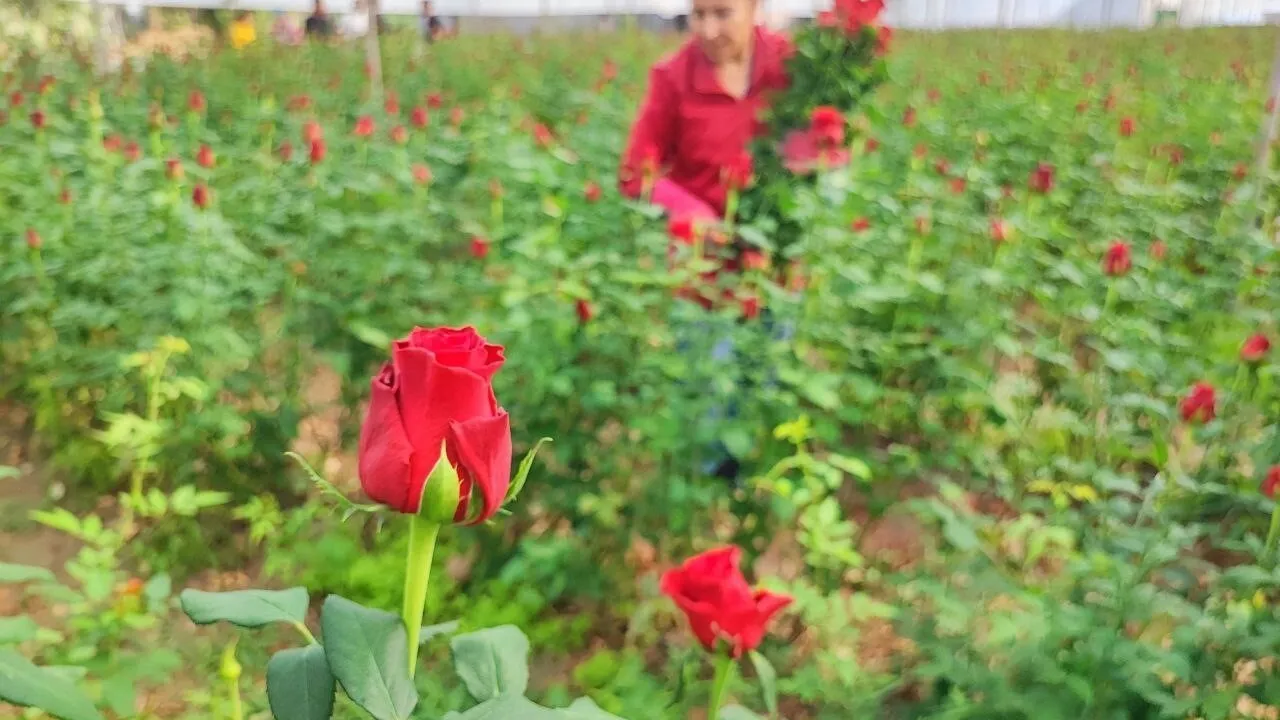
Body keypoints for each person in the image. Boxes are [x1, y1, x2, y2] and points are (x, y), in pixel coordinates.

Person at [618, 0, 794, 485]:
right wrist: (693, 212)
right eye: (698, 14)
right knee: (708, 397)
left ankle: (755, 488)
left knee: (764, 383)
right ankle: (709, 499)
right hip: (704, 271)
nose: (708, 28)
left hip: (774, 268)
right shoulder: (673, 77)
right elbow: (636, 171)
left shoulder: (790, 68)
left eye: (723, 13)